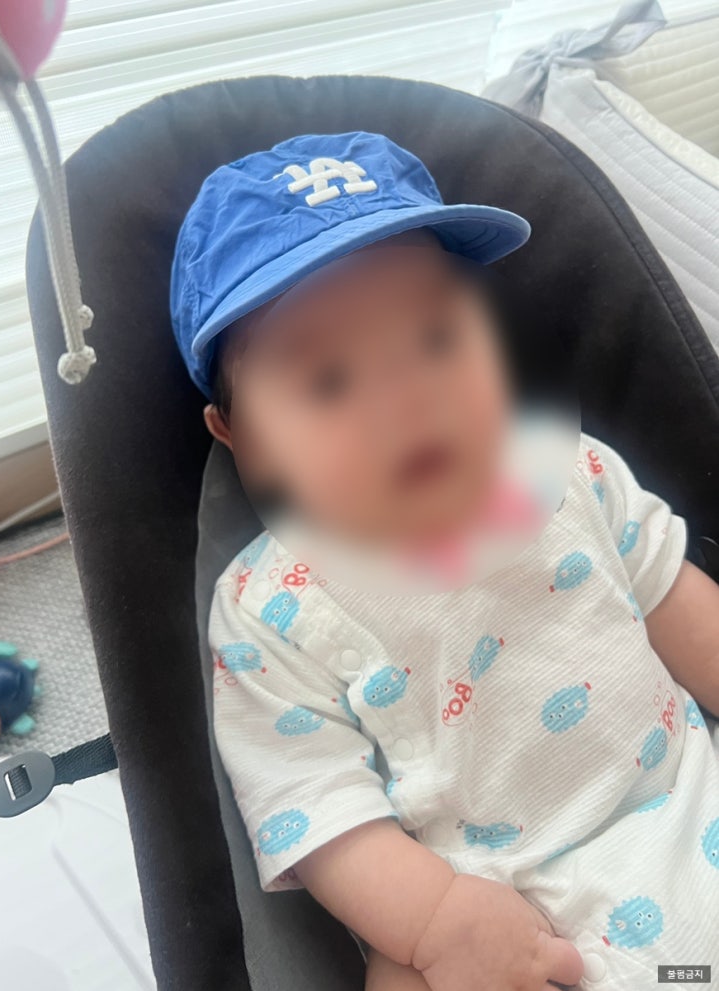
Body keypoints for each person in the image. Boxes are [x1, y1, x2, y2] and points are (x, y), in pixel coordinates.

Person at [171, 132, 719, 990]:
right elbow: (313, 809)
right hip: (516, 920)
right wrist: (432, 922)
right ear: (237, 434)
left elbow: (677, 605)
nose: (408, 398)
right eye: (329, 381)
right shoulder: (268, 609)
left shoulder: (566, 468)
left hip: (688, 792)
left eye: (435, 337)